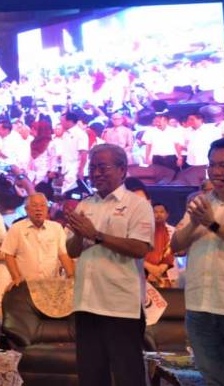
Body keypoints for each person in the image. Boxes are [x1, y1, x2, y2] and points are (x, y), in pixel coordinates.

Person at [66, 143, 154, 386]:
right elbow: (71, 251)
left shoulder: (138, 206)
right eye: (92, 168)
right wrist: (78, 234)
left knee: (128, 375)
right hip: (86, 303)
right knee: (91, 375)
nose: (96, 173)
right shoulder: (85, 205)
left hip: (121, 305)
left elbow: (140, 248)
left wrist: (96, 235)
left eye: (102, 167)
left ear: (122, 169)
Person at [171, 137, 224, 386]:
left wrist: (213, 225)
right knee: (213, 381)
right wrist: (195, 221)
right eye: (212, 165)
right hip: (200, 308)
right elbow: (176, 245)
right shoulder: (200, 203)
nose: (216, 172)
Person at [3, 193, 74, 289]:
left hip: (51, 285)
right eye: (34, 205)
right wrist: (16, 277)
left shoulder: (56, 228)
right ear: (26, 209)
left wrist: (71, 276)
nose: (38, 209)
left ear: (47, 209)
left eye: (42, 205)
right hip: (25, 285)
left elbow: (63, 254)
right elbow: (9, 254)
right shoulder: (17, 228)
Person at [144, 203, 175, 287]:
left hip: (166, 274)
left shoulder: (173, 231)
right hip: (144, 272)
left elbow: (170, 253)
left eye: (161, 212)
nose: (158, 214)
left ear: (167, 214)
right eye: (155, 212)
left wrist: (158, 271)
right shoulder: (143, 230)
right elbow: (138, 251)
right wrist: (151, 269)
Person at [60, 112, 89, 192]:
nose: (60, 123)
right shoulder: (65, 134)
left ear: (69, 121)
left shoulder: (81, 134)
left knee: (73, 198)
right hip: (66, 169)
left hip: (75, 170)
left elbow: (84, 153)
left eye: (62, 121)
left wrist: (81, 170)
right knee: (66, 197)